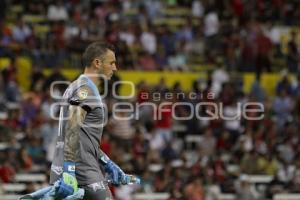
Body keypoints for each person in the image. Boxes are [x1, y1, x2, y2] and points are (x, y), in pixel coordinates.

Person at [49, 42, 138, 200]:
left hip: (65, 169)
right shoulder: (86, 90)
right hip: (82, 172)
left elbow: (84, 138)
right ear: (97, 63)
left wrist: (107, 163)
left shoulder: (75, 86)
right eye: (112, 63)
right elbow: (72, 126)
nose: (115, 68)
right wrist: (69, 169)